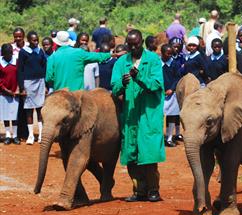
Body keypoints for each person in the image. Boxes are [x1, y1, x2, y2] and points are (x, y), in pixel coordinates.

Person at [111, 29, 165, 202]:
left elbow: (156, 85)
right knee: (131, 153)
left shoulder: (153, 60)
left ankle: (153, 190)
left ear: (141, 42)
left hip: (149, 114)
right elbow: (114, 87)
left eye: (136, 44)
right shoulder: (121, 62)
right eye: (130, 44)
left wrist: (139, 77)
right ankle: (139, 190)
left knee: (148, 153)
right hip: (130, 114)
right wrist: (122, 83)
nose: (133, 47)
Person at [46, 31, 124, 91]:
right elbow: (97, 56)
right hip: (78, 94)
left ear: (55, 43)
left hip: (60, 93)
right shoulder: (79, 53)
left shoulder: (52, 58)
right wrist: (113, 55)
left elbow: (49, 78)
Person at [17, 31, 47, 145]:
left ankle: (40, 134)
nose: (36, 42)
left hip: (40, 82)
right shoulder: (24, 52)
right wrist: (22, 87)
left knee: (40, 109)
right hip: (28, 83)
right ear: (28, 40)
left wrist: (45, 84)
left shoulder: (40, 51)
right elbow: (20, 70)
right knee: (29, 110)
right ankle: (30, 135)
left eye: (37, 40)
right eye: (33, 40)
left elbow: (44, 66)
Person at [161, 44, 181, 147]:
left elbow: (177, 78)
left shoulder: (175, 64)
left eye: (171, 53)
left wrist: (172, 89)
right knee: (159, 116)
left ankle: (169, 138)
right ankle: (159, 138)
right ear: (162, 53)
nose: (169, 55)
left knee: (172, 116)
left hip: (171, 94)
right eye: (167, 53)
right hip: (159, 94)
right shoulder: (157, 64)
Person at [0, 43, 20, 145]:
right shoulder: (0, 62)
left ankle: (15, 135)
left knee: (15, 114)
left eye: (10, 53)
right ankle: (8, 135)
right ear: (2, 54)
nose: (8, 55)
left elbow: (20, 75)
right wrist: (5, 90)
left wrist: (17, 89)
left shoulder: (16, 61)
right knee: (6, 115)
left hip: (15, 92)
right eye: (6, 54)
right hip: (3, 93)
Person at [11, 27, 29, 139]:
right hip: (13, 81)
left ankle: (25, 132)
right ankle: (16, 133)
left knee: (26, 107)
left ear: (24, 36)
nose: (18, 38)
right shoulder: (10, 48)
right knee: (15, 107)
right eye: (16, 36)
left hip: (27, 80)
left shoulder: (29, 46)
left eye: (20, 36)